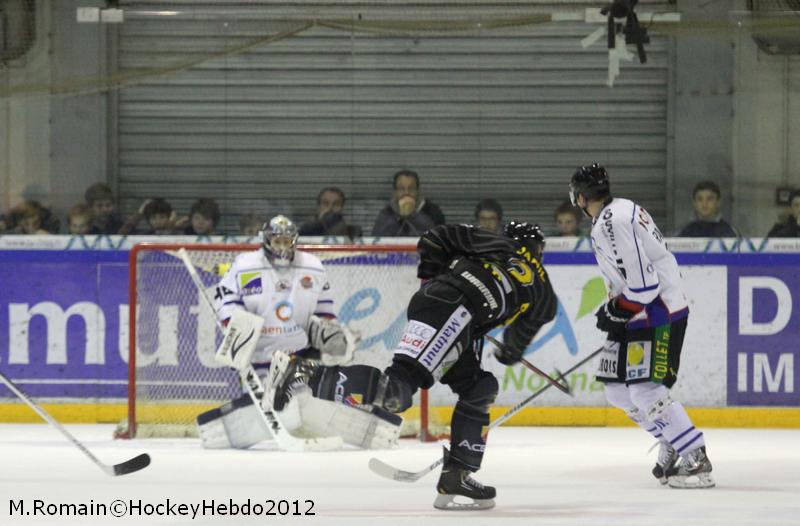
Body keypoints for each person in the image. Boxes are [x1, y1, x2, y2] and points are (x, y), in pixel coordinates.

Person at [270, 221, 558, 510]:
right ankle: (305, 372)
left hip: (442, 304)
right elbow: (514, 345)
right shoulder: (543, 289)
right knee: (396, 392)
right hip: (456, 313)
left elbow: (435, 237)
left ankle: (456, 475)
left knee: (478, 387)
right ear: (539, 250)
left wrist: (432, 281)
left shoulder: (493, 241)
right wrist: (509, 349)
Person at [569, 163, 714, 489]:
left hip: (658, 313)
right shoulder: (618, 211)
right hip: (640, 312)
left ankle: (696, 458)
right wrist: (618, 309)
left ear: (580, 197)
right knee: (617, 390)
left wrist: (617, 309)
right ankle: (672, 439)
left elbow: (645, 286)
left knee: (645, 390)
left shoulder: (612, 221)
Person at [197, 215, 358, 450]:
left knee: (301, 403)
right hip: (258, 355)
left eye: (286, 241)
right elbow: (226, 299)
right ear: (266, 240)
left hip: (298, 355)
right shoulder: (245, 265)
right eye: (277, 241)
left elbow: (324, 307)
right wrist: (236, 326)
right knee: (263, 405)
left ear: (295, 240)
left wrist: (328, 334)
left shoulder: (312, 266)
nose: (282, 246)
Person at [371, 169, 445, 236]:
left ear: (418, 190)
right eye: (401, 189)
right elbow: (376, 239)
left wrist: (414, 216)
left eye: (411, 188)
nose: (406, 193)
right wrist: (399, 217)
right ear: (395, 192)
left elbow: (438, 239)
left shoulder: (433, 211)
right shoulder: (386, 212)